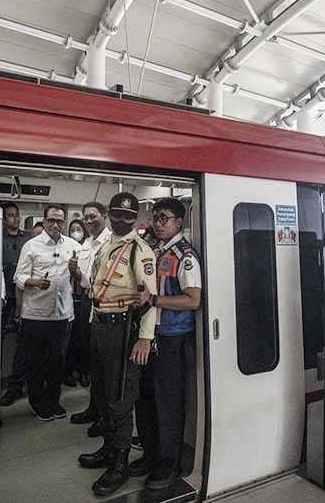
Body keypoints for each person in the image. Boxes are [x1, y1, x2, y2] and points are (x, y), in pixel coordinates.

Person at [77, 193, 157, 497]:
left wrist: (145, 338)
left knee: (120, 397)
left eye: (127, 216)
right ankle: (109, 450)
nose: (121, 220)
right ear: (110, 215)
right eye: (116, 215)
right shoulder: (107, 245)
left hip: (124, 331)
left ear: (135, 219)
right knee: (101, 393)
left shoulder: (141, 251)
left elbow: (149, 300)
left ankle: (120, 463)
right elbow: (96, 287)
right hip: (100, 326)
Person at [132, 197, 202, 490]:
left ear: (179, 223)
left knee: (168, 405)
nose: (157, 224)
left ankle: (167, 464)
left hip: (172, 340)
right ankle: (150, 454)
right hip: (149, 336)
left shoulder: (185, 255)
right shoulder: (154, 251)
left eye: (164, 218)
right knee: (145, 400)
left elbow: (193, 299)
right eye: (155, 218)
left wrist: (156, 300)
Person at [14, 205, 82, 421]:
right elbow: (18, 277)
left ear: (64, 223)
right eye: (51, 220)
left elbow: (80, 278)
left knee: (57, 362)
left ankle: (54, 401)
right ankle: (38, 403)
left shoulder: (73, 245)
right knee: (35, 362)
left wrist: (76, 272)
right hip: (35, 314)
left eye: (59, 221)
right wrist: (34, 281)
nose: (55, 225)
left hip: (62, 315)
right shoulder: (31, 246)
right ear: (44, 221)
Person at [70, 202, 113, 436]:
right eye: (85, 217)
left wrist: (81, 277)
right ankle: (93, 409)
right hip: (86, 301)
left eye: (93, 216)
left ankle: (105, 417)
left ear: (104, 216)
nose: (88, 221)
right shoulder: (86, 242)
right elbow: (85, 279)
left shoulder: (109, 242)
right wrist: (76, 274)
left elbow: (100, 280)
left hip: (102, 304)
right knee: (92, 362)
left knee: (103, 367)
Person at [0, 202, 31, 407]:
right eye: (10, 215)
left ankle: (16, 386)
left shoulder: (28, 239)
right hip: (2, 296)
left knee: (23, 344)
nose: (14, 218)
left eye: (16, 215)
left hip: (25, 295)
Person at [64, 219, 90, 387]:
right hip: (69, 298)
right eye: (72, 229)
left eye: (78, 229)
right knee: (70, 340)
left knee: (84, 338)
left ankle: (84, 371)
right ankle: (68, 372)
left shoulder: (88, 249)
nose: (76, 232)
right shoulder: (66, 248)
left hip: (85, 298)